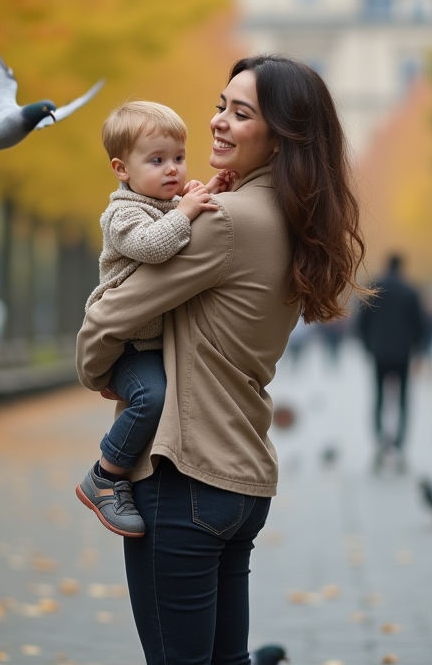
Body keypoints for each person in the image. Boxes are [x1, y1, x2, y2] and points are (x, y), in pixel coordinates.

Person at [77, 55, 367, 662]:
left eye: (240, 114)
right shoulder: (292, 220)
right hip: (242, 479)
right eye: (220, 106)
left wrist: (104, 372)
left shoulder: (222, 221)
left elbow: (102, 322)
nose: (217, 123)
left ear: (281, 136)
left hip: (183, 473)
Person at [76, 102, 233, 537]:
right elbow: (154, 247)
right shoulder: (123, 213)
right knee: (152, 398)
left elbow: (191, 226)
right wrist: (186, 211)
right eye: (157, 160)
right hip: (128, 345)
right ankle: (105, 475)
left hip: (154, 342)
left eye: (179, 159)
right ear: (121, 168)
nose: (173, 170)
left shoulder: (167, 204)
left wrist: (212, 190)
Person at [355, 253, 424, 470]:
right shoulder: (410, 292)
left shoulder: (374, 288)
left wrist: (369, 346)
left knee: (379, 398)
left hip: (379, 352)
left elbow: (361, 323)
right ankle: (400, 444)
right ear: (401, 267)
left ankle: (379, 441)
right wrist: (417, 349)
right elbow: (420, 325)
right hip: (403, 353)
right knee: (403, 399)